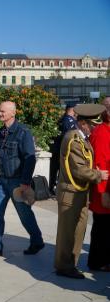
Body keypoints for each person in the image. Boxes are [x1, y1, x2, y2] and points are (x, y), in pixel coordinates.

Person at [0, 101, 44, 257]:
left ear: (13, 113)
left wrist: (25, 182)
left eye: (3, 111)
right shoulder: (1, 132)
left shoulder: (23, 132)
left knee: (24, 214)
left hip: (17, 182)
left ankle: (37, 241)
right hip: (2, 180)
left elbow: (30, 158)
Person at [54, 103, 108, 279]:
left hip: (80, 192)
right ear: (83, 123)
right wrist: (99, 175)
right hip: (71, 192)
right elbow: (79, 169)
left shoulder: (81, 138)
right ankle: (64, 266)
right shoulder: (73, 139)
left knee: (79, 231)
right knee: (67, 233)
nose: (94, 128)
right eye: (92, 125)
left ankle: (72, 264)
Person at [87, 101, 110, 271]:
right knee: (102, 228)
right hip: (105, 190)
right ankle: (99, 262)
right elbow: (100, 165)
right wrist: (103, 193)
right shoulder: (102, 133)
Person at [49, 103, 78, 195]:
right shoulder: (69, 121)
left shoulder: (61, 119)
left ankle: (52, 188)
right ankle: (57, 189)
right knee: (62, 170)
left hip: (56, 149)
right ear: (72, 110)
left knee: (55, 170)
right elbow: (70, 136)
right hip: (63, 150)